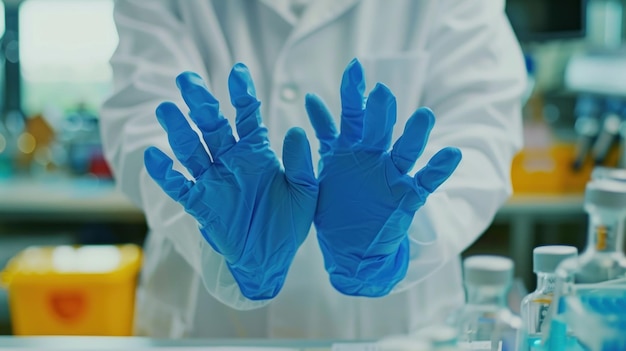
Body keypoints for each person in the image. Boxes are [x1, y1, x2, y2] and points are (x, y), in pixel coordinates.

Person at [100, 0, 527, 339]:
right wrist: (212, 231)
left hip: (397, 328)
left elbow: (481, 122)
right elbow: (144, 116)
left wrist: (405, 237)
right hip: (209, 326)